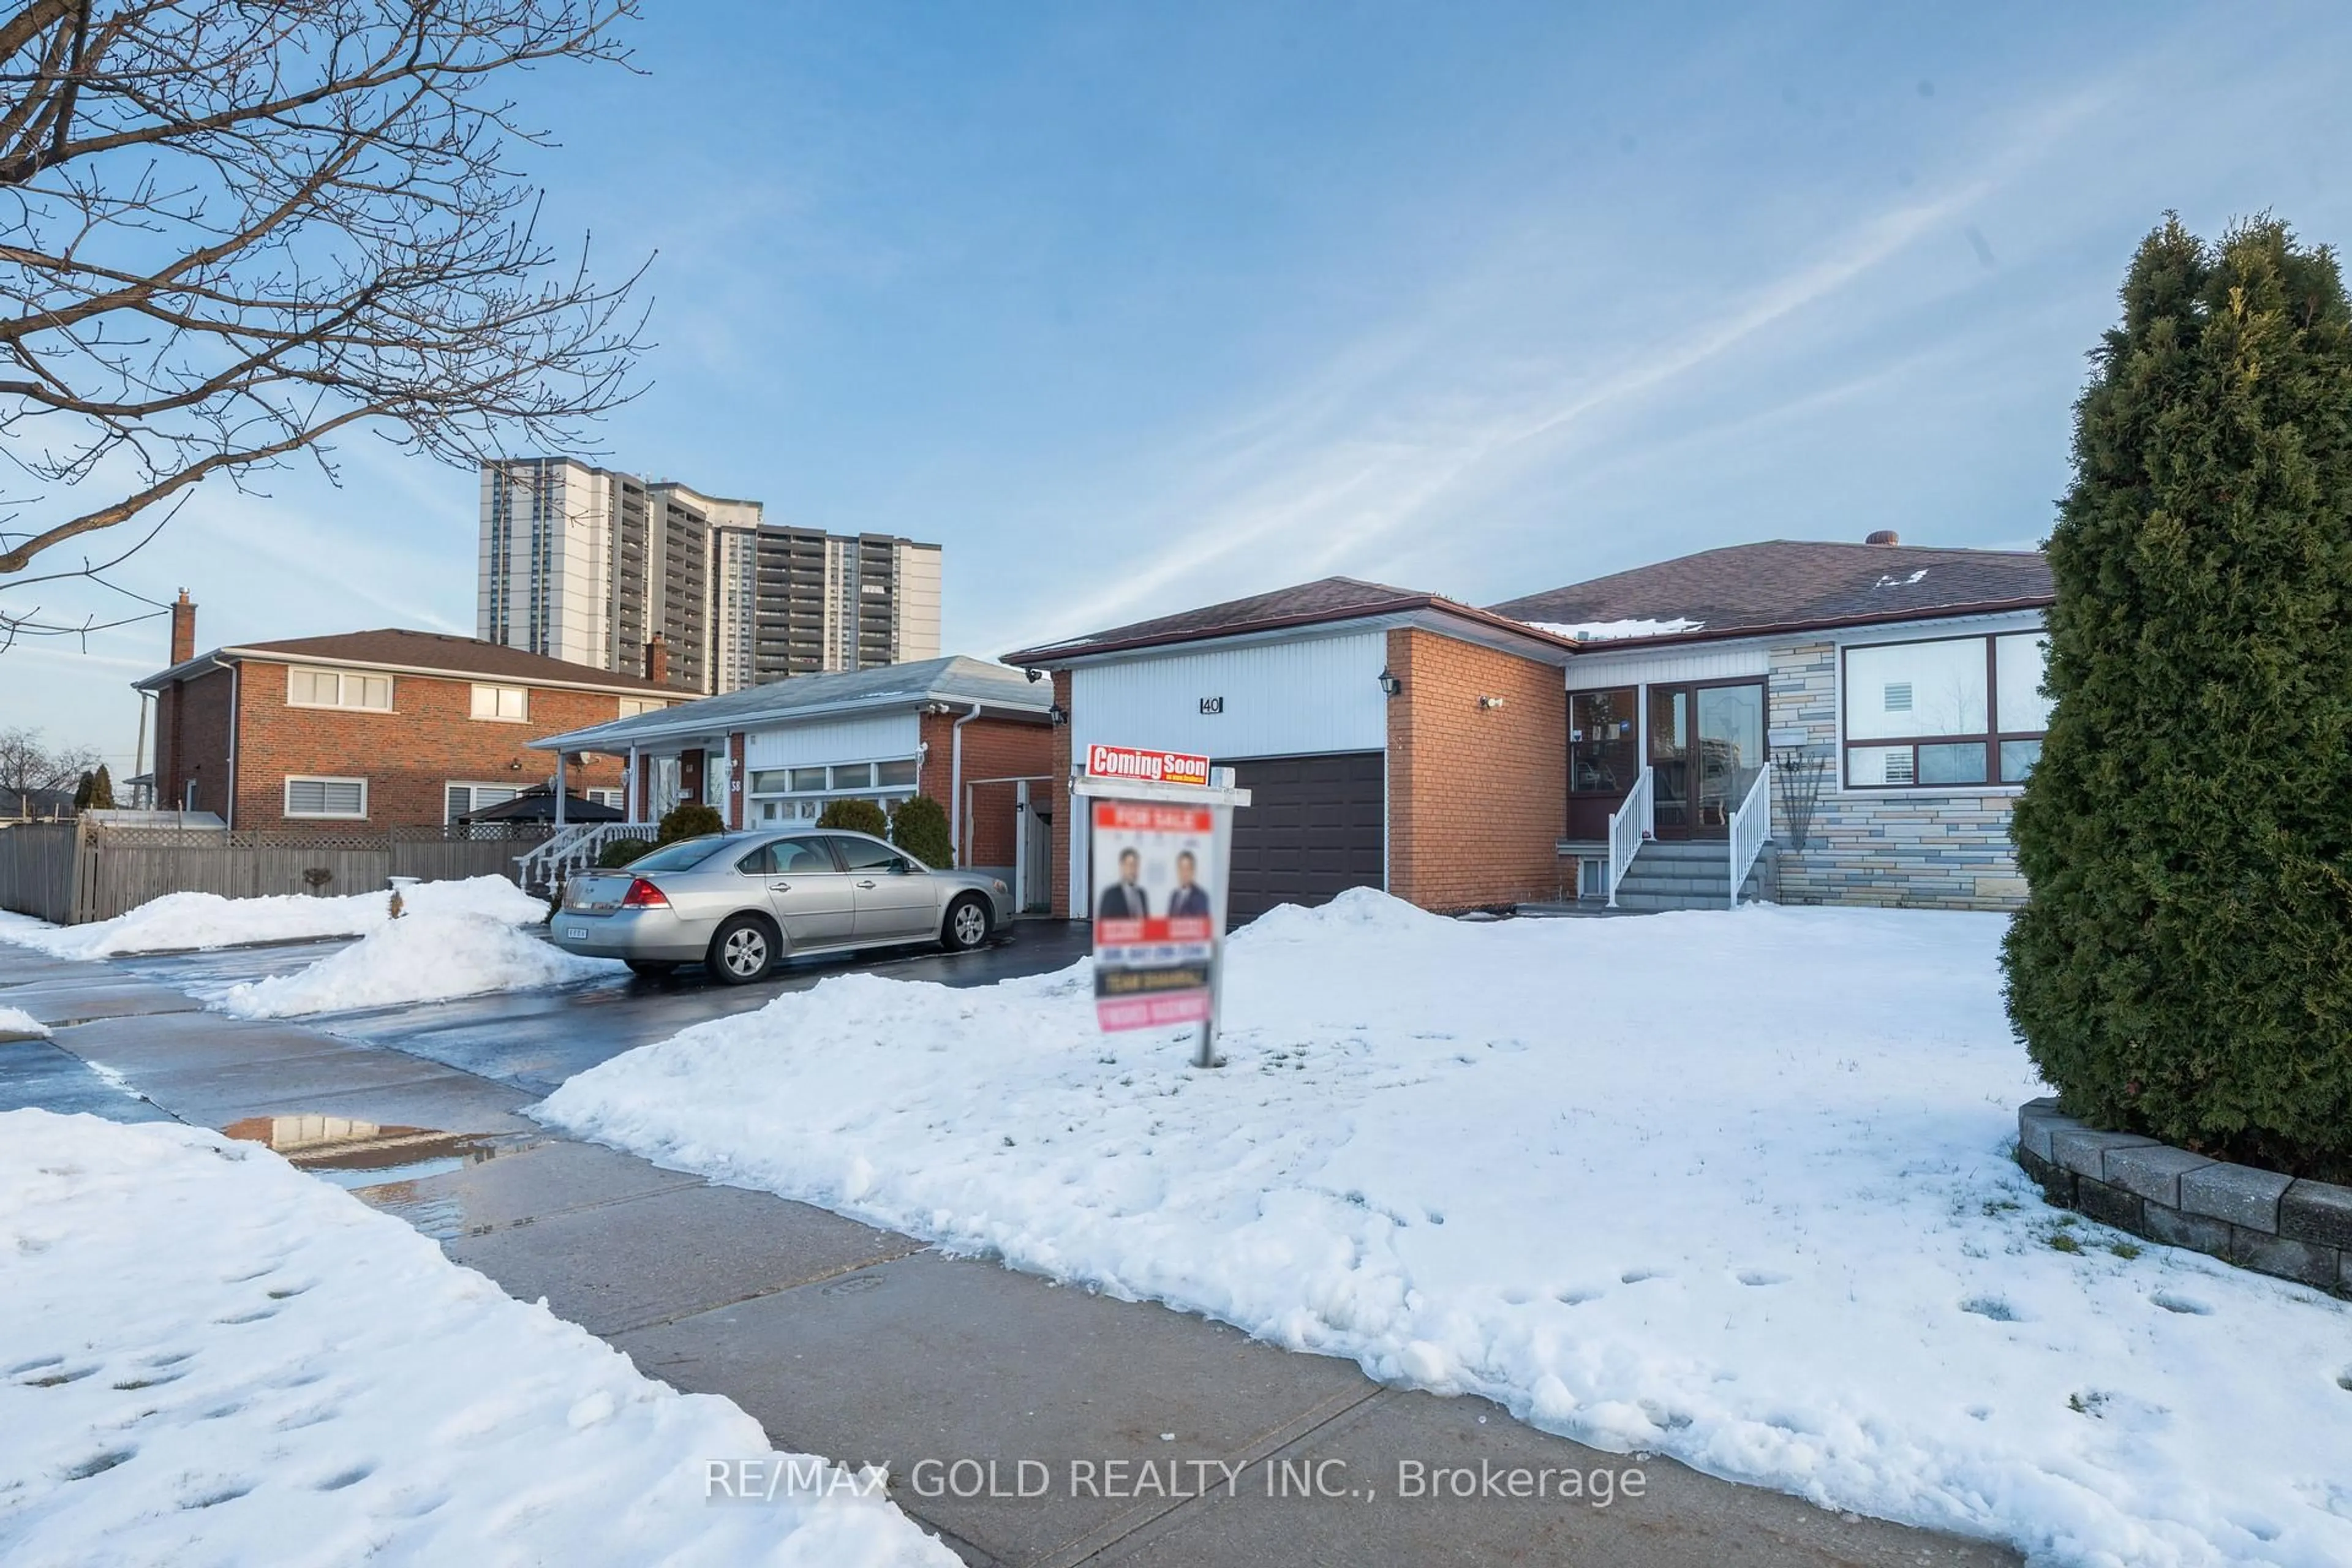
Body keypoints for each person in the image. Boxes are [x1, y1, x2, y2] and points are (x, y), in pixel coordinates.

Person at [1097, 846, 1150, 919]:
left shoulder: (1142, 894)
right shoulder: (1110, 895)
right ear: (1122, 867)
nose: (1133, 869)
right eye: (1129, 865)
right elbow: (1103, 923)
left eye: (1136, 865)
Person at [1167, 850, 1212, 919]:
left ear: (1193, 871)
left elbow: (1202, 923)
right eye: (1181, 869)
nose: (1184, 874)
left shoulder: (1201, 896)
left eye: (1187, 869)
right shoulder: (1174, 895)